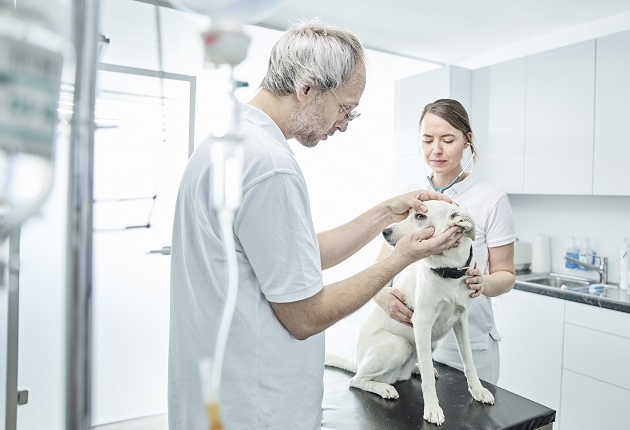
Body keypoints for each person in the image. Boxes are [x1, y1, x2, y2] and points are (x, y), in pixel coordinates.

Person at [167, 22, 462, 430]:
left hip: (217, 396)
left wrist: (384, 212)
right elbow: (306, 316)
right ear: (307, 88)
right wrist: (402, 257)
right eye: (344, 108)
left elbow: (295, 255)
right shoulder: (270, 167)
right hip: (257, 408)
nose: (343, 124)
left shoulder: (228, 142)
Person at [374, 98, 516, 384]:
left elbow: (507, 276)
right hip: (415, 343)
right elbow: (382, 267)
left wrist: (484, 283)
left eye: (447, 139)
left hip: (469, 344)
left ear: (467, 140)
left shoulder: (491, 200)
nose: (436, 150)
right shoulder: (409, 195)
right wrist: (381, 297)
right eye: (427, 140)